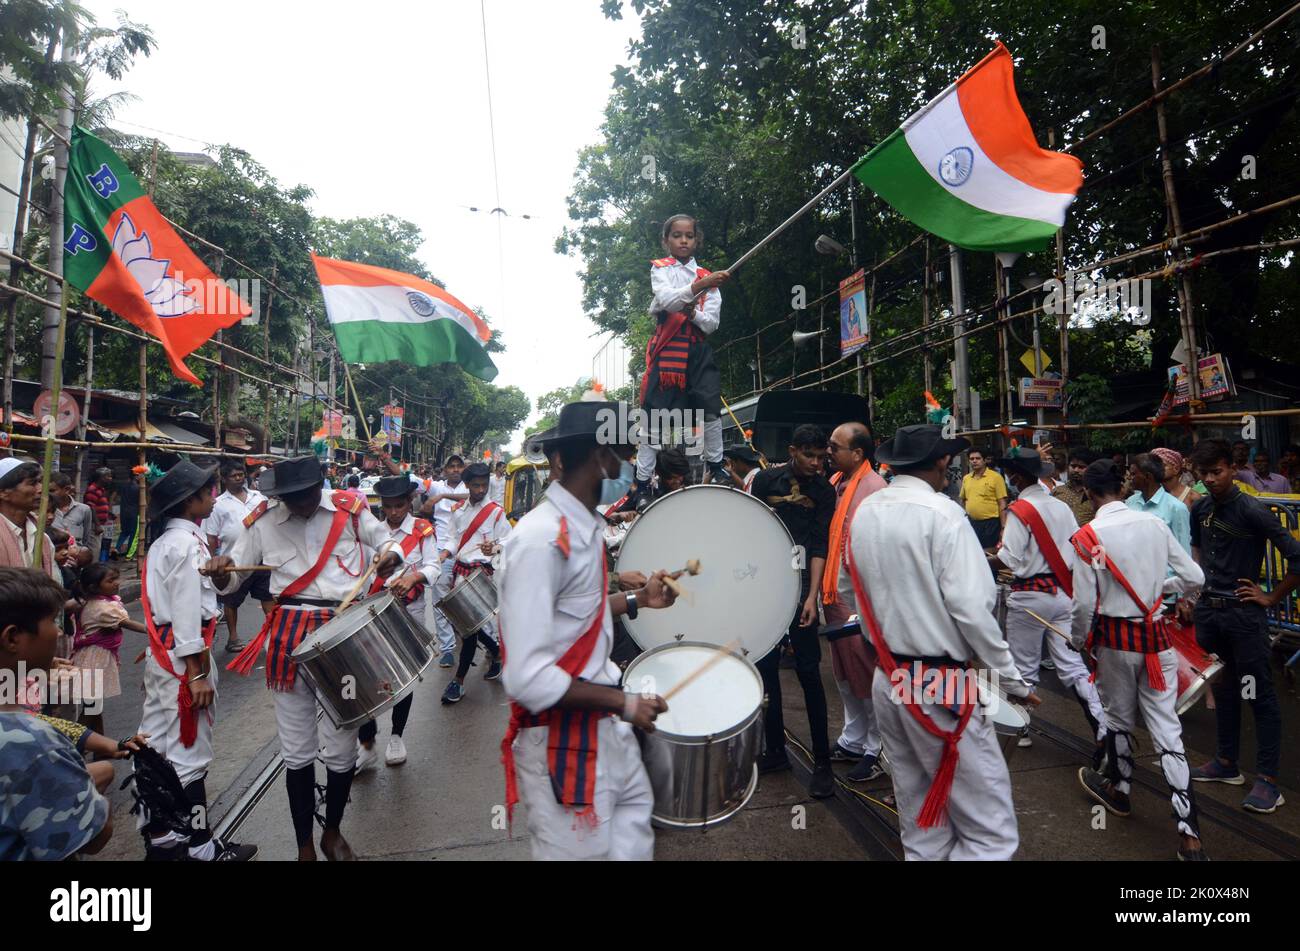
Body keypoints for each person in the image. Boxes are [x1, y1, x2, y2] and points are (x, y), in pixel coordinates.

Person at [498, 400, 679, 860]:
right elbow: (527, 677)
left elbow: (579, 619)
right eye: (611, 453)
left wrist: (639, 600)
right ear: (563, 461)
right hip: (565, 744)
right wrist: (625, 702)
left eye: (620, 453)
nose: (619, 464)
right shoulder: (541, 540)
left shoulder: (583, 530)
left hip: (607, 735)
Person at [849, 424, 1035, 860]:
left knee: (922, 826)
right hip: (941, 685)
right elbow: (973, 608)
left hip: (888, 679)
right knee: (991, 833)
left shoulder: (865, 511)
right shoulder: (943, 513)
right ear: (940, 463)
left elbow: (850, 591)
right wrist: (1014, 682)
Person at [208, 456, 401, 861]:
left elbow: (388, 543)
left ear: (320, 485)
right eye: (290, 498)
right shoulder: (261, 521)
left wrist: (390, 555)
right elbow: (232, 580)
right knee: (296, 751)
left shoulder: (350, 509)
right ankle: (304, 846)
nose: (300, 503)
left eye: (307, 494)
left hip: (343, 630)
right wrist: (219, 571)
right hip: (289, 632)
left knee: (341, 746)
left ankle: (332, 832)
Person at [1070, 459, 1206, 860]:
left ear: (1090, 494)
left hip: (1114, 643)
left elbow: (1082, 605)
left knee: (1117, 717)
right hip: (1157, 641)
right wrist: (1159, 587)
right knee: (1168, 731)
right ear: (1122, 488)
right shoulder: (1153, 524)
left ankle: (1120, 789)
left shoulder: (1088, 535)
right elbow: (1195, 578)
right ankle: (1190, 835)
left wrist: (1078, 641)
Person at [137, 460, 256, 861]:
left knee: (153, 746)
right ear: (190, 502)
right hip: (186, 658)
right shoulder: (187, 545)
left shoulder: (163, 543)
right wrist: (197, 674)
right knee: (190, 756)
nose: (213, 497)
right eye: (208, 491)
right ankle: (201, 846)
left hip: (164, 655)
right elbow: (188, 611)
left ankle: (159, 836)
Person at [1187, 439, 1300, 813]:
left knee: (1258, 694)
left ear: (1232, 469)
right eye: (1203, 475)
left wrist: (1270, 598)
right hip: (1211, 615)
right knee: (1224, 689)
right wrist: (1198, 592)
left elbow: (1297, 558)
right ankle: (1226, 762)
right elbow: (1198, 553)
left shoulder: (1253, 510)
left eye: (1216, 472)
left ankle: (1268, 780)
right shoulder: (1200, 508)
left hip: (1244, 618)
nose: (1210, 480)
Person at [994, 448, 1105, 751]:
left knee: (1024, 668)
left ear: (1017, 476)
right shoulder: (1060, 507)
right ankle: (1101, 726)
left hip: (1030, 597)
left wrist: (981, 561)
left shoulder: (1020, 510)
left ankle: (1021, 730)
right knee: (1073, 666)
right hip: (1062, 595)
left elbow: (1009, 558)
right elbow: (1077, 547)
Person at [0, 567, 114, 860]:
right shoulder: (27, 741)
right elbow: (93, 835)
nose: (60, 631)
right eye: (52, 621)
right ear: (13, 638)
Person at [750, 423, 837, 797]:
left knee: (809, 673)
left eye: (822, 457)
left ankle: (823, 762)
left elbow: (820, 544)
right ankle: (775, 751)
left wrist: (811, 597)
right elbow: (753, 529)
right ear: (792, 450)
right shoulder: (765, 481)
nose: (817, 463)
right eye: (810, 455)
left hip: (802, 582)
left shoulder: (824, 490)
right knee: (766, 669)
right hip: (767, 584)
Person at [632, 214, 731, 506]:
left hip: (697, 352)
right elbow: (667, 301)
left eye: (689, 235)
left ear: (696, 239)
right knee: (653, 423)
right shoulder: (660, 270)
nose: (683, 240)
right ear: (667, 240)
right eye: (677, 235)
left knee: (711, 411)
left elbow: (711, 324)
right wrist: (700, 287)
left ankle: (716, 466)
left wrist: (694, 313)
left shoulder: (709, 276)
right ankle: (641, 486)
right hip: (668, 351)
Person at [356, 475, 439, 769]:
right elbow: (360, 572)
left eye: (399, 505)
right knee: (368, 677)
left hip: (408, 611)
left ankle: (396, 736)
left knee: (402, 677)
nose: (393, 512)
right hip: (373, 612)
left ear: (410, 502)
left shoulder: (421, 529)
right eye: (388, 506)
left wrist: (413, 576)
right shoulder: (371, 531)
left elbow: (433, 566)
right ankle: (366, 744)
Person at [822, 422, 887, 782]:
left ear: (859, 454)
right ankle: (853, 738)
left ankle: (876, 746)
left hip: (858, 597)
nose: (828, 452)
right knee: (844, 674)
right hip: (834, 593)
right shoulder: (835, 485)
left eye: (835, 446)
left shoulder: (875, 488)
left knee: (867, 672)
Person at [438, 462, 510, 704]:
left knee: (468, 630)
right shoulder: (457, 510)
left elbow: (509, 543)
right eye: (476, 485)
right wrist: (442, 556)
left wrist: (496, 548)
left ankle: (458, 682)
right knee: (467, 626)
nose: (480, 490)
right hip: (460, 573)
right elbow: (451, 540)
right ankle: (496, 651)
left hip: (482, 575)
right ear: (467, 485)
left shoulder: (496, 512)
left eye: (484, 485)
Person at [71, 562, 146, 741]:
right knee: (91, 707)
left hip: (93, 658)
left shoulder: (96, 602)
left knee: (94, 706)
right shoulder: (102, 608)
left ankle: (100, 745)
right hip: (94, 661)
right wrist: (154, 630)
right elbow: (127, 623)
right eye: (111, 580)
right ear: (94, 587)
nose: (117, 583)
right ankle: (71, 745)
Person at [203, 459, 271, 654]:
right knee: (231, 602)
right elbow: (211, 536)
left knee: (267, 597)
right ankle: (233, 638)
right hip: (233, 562)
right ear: (224, 479)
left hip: (261, 558)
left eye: (241, 474)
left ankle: (273, 633)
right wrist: (212, 559)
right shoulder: (218, 504)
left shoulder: (259, 498)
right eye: (234, 476)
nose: (239, 478)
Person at [422, 454, 470, 668]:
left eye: (459, 466)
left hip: (468, 551)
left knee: (467, 599)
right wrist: (385, 457)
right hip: (441, 550)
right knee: (440, 600)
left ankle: (489, 643)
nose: (455, 469)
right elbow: (411, 479)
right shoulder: (436, 486)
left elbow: (470, 495)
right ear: (445, 470)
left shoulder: (471, 487)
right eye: (451, 466)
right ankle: (447, 649)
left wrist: (441, 497)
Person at [0, 458, 58, 582]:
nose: (41, 489)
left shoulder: (43, 538)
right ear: (4, 493)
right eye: (32, 483)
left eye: (40, 482)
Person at [1126, 453, 1191, 553]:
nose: (1129, 478)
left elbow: (1184, 550)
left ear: (1147, 477)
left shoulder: (1176, 508)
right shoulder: (1130, 502)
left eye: (1134, 474)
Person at [959, 448, 1007, 549]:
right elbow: (963, 499)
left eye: (978, 458)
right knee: (974, 551)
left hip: (991, 524)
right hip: (973, 523)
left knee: (989, 554)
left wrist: (1003, 528)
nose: (974, 461)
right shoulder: (966, 478)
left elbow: (1002, 503)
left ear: (984, 460)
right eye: (972, 459)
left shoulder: (996, 477)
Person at [1051, 447, 1096, 526]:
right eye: (1073, 466)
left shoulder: (1095, 494)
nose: (1076, 470)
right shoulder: (1057, 491)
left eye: (1081, 467)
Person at [50, 472, 94, 550]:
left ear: (66, 489)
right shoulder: (45, 511)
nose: (48, 494)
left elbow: (86, 538)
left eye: (52, 490)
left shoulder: (84, 509)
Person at [1153, 447, 1201, 512]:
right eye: (1154, 466)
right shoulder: (1151, 495)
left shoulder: (1192, 497)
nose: (1156, 469)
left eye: (1162, 465)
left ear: (1176, 469)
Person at [83, 467, 113, 561]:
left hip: (99, 524)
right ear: (101, 478)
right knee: (94, 550)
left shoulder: (100, 489)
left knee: (98, 549)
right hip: (94, 525)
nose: (110, 478)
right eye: (108, 476)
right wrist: (97, 525)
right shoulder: (93, 489)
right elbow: (91, 507)